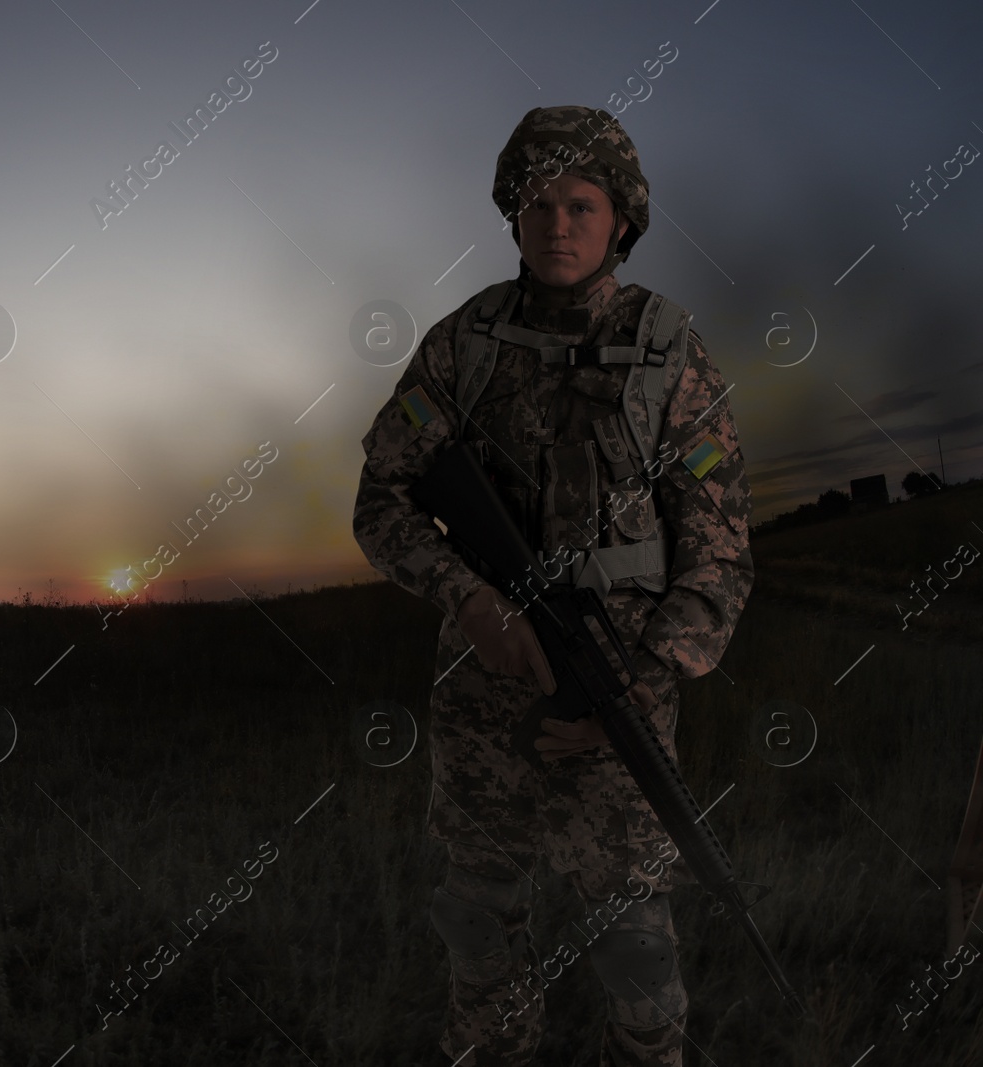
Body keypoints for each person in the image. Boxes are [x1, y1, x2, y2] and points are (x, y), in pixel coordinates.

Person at [352, 105, 753, 1066]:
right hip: (483, 702)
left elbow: (720, 553)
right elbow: (383, 502)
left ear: (622, 219)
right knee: (480, 929)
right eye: (535, 204)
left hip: (618, 702)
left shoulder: (670, 351)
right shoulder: (463, 345)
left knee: (634, 943)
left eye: (581, 203)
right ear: (512, 216)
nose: (557, 223)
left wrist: (641, 689)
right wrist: (471, 600)